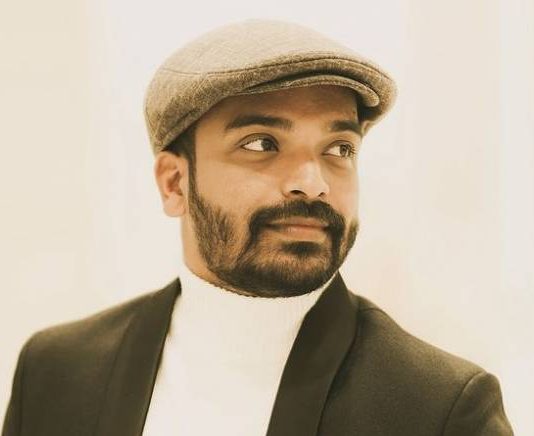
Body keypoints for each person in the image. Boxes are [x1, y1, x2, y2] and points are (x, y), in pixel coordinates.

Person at [2, 19, 513, 436]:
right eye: (262, 143)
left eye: (339, 149)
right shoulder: (57, 371)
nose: (312, 184)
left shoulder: (439, 409)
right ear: (175, 184)